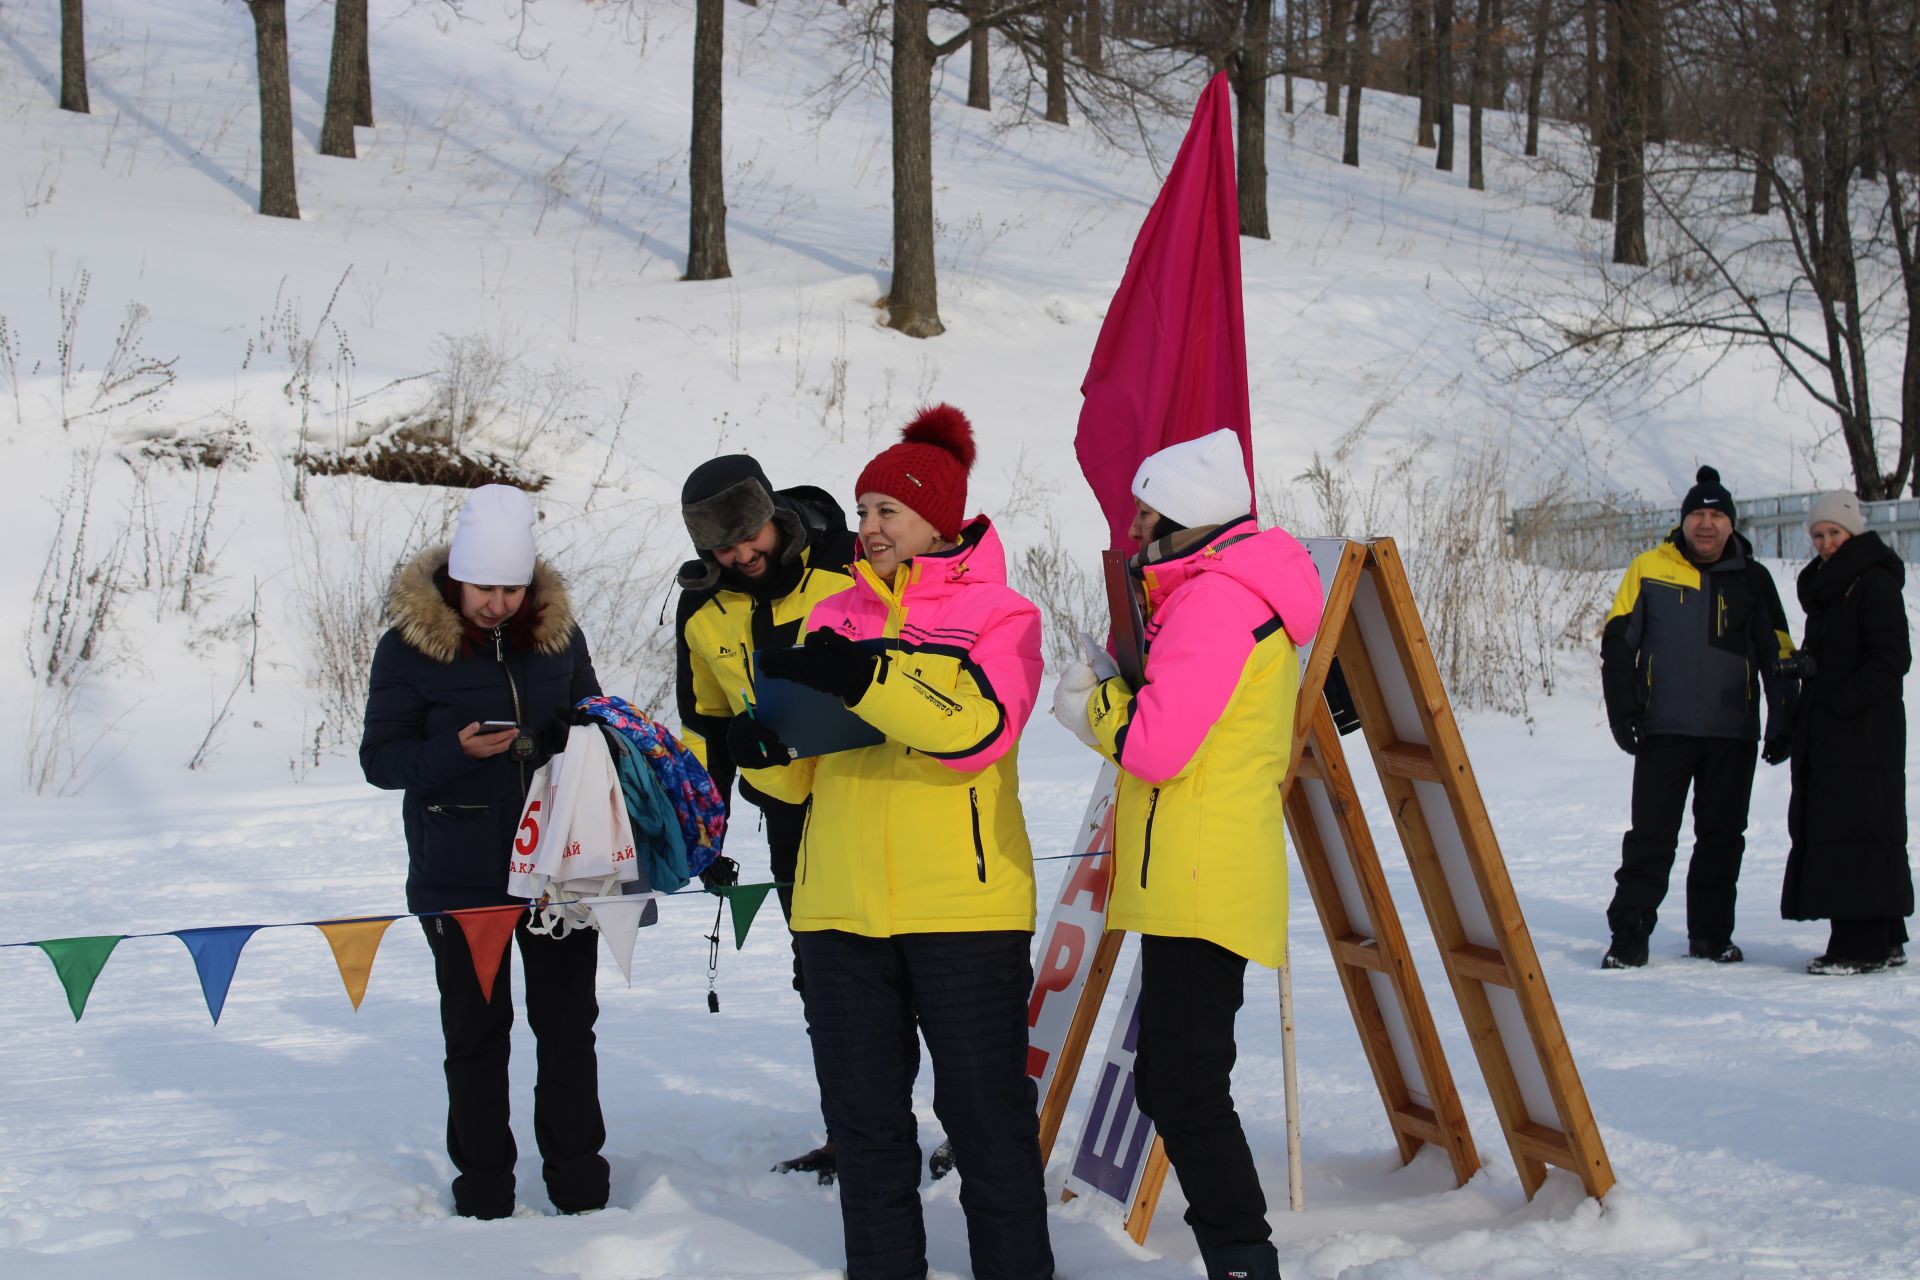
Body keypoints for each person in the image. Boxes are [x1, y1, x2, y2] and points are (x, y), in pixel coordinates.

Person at [730, 405, 1055, 1280]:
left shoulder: (1004, 616)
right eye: (863, 509)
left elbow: (975, 730)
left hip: (963, 909)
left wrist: (868, 675)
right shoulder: (833, 613)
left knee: (986, 1123)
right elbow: (804, 773)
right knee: (868, 1133)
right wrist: (759, 751)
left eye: (888, 512)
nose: (867, 527)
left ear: (938, 521)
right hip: (837, 909)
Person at [1050, 428, 1322, 1280]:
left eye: (1146, 512)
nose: (1133, 528)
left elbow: (1157, 747)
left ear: (1191, 518)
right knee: (1179, 1078)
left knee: (1183, 1083)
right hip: (1200, 867)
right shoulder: (1220, 592)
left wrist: (1090, 704)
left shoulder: (1214, 603)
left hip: (1201, 872)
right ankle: (1240, 1253)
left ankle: (1244, 1257)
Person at [359, 484, 609, 1220]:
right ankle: (484, 1193)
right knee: (475, 1036)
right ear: (455, 580)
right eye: (484, 588)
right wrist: (453, 751)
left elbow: (592, 715)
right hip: (461, 873)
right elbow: (382, 760)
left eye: (511, 587)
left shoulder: (560, 636)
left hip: (561, 865)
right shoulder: (407, 649)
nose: (498, 603)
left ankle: (581, 1185)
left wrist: (580, 736)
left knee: (568, 1031)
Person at [674, 453, 859, 1181]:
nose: (743, 556)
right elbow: (704, 723)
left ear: (773, 516)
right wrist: (703, 832)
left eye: (751, 537)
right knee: (820, 974)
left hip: (873, 798)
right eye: (723, 549)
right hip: (788, 813)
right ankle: (852, 1131)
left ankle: (957, 1128)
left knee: (912, 970)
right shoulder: (702, 606)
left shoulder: (848, 568)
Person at [1599, 465, 1797, 969]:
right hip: (1663, 728)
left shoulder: (1753, 579)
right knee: (1650, 837)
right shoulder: (1648, 567)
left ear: (1731, 524)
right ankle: (1630, 935)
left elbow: (1777, 652)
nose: (1705, 525)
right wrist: (1623, 713)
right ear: (1683, 521)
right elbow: (1618, 646)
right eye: (1697, 515)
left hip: (1733, 733)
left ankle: (1711, 935)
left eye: (1715, 515)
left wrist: (1783, 717)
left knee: (1723, 838)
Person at [1780, 491, 1913, 975]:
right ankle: (1887, 934)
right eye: (1818, 535)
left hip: (1864, 732)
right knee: (1858, 830)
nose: (1825, 543)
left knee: (1858, 830)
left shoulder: (1872, 584)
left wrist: (1840, 698)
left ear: (1853, 532)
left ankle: (1860, 945)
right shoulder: (1833, 588)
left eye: (1834, 533)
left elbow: (1893, 658)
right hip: (1836, 732)